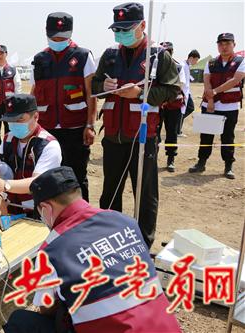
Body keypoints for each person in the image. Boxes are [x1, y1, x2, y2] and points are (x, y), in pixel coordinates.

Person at [2, 166, 181, 333]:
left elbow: (46, 308)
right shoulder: (123, 221)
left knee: (21, 320)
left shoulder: (53, 249)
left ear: (46, 208)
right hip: (165, 326)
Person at [91, 2, 180, 248]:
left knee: (145, 194)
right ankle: (110, 238)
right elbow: (95, 85)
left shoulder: (158, 55)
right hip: (112, 137)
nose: (121, 34)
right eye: (117, 30)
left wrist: (141, 93)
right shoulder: (109, 56)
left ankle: (143, 243)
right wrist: (103, 88)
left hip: (143, 138)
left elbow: (173, 90)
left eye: (126, 29)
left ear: (142, 25)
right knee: (110, 193)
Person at [31, 12, 97, 202]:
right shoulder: (40, 59)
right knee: (47, 178)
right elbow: (34, 93)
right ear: (46, 32)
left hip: (75, 130)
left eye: (62, 37)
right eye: (53, 37)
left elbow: (90, 93)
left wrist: (90, 125)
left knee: (76, 177)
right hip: (47, 130)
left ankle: (81, 221)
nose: (57, 40)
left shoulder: (83, 56)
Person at [0, 94, 62, 215]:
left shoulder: (48, 145)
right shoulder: (8, 139)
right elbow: (0, 169)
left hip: (40, 212)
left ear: (36, 116)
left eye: (20, 120)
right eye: (10, 120)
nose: (15, 124)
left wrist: (5, 185)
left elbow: (37, 182)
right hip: (11, 208)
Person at [189, 33, 244, 179]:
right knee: (206, 135)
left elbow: (235, 80)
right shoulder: (211, 62)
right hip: (210, 104)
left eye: (227, 43)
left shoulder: (241, 61)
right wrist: (211, 99)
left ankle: (228, 165)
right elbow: (206, 81)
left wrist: (215, 91)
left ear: (234, 44)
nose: (224, 47)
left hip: (229, 106)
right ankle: (201, 162)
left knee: (227, 137)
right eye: (221, 44)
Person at [156, 42, 186, 172]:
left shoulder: (178, 67)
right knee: (154, 132)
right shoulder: (154, 66)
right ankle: (152, 158)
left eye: (168, 50)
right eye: (163, 51)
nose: (166, 53)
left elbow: (181, 85)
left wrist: (166, 98)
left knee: (172, 132)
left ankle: (171, 159)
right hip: (157, 106)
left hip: (173, 105)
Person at [178, 49, 200, 136]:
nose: (196, 62)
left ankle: (177, 127)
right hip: (183, 92)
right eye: (196, 60)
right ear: (191, 58)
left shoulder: (187, 66)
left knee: (189, 108)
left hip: (187, 92)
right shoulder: (182, 65)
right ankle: (178, 131)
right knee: (182, 110)